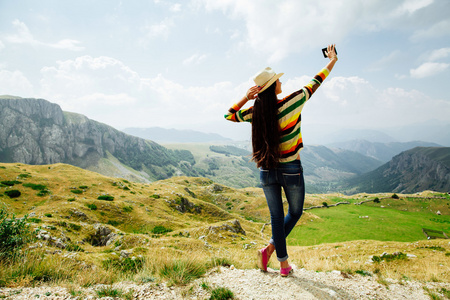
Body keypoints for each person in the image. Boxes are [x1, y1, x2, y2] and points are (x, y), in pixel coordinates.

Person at [224, 45, 338, 277]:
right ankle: (272, 252)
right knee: (294, 213)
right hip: (291, 169)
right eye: (277, 80)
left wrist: (246, 97)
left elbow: (229, 114)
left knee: (276, 217)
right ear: (272, 87)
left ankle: (282, 263)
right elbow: (316, 81)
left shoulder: (255, 112)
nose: (281, 83)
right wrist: (332, 60)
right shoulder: (292, 102)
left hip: (266, 170)